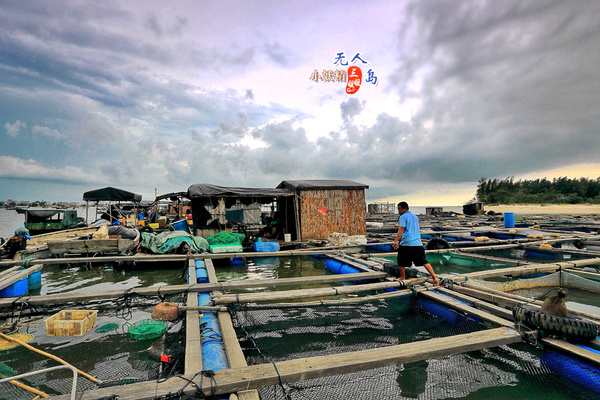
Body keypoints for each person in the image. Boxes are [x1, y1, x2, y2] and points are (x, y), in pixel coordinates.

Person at [392, 201, 439, 286]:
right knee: (424, 261)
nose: (398, 211)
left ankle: (402, 277)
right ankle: (434, 278)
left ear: (404, 208)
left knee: (401, 261)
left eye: (399, 209)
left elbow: (401, 229)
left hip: (407, 243)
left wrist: (396, 241)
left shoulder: (402, 217)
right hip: (418, 243)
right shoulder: (415, 217)